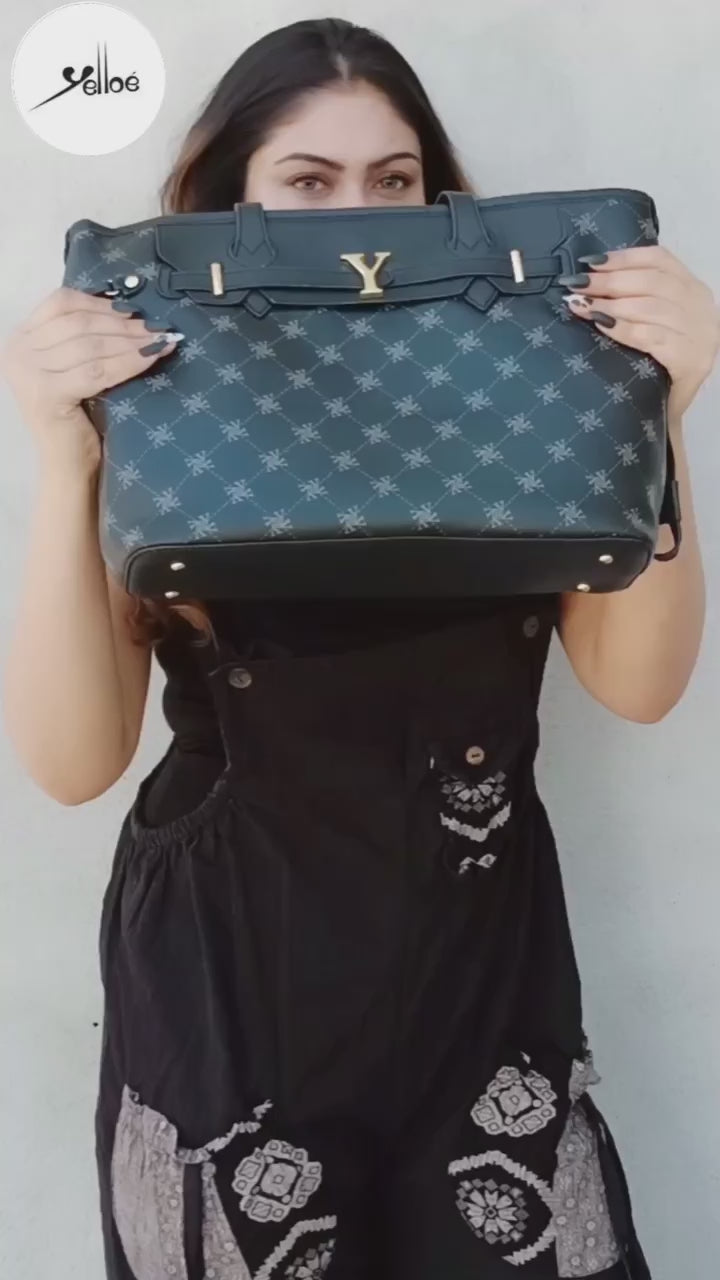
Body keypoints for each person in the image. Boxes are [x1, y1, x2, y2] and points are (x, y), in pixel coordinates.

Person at [2, 16, 717, 1280]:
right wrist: (68, 458)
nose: (360, 225)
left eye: (394, 181)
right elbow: (72, 762)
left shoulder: (524, 376)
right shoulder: (165, 385)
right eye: (308, 182)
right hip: (228, 978)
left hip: (478, 967)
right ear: (228, 208)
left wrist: (655, 408)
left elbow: (640, 684)